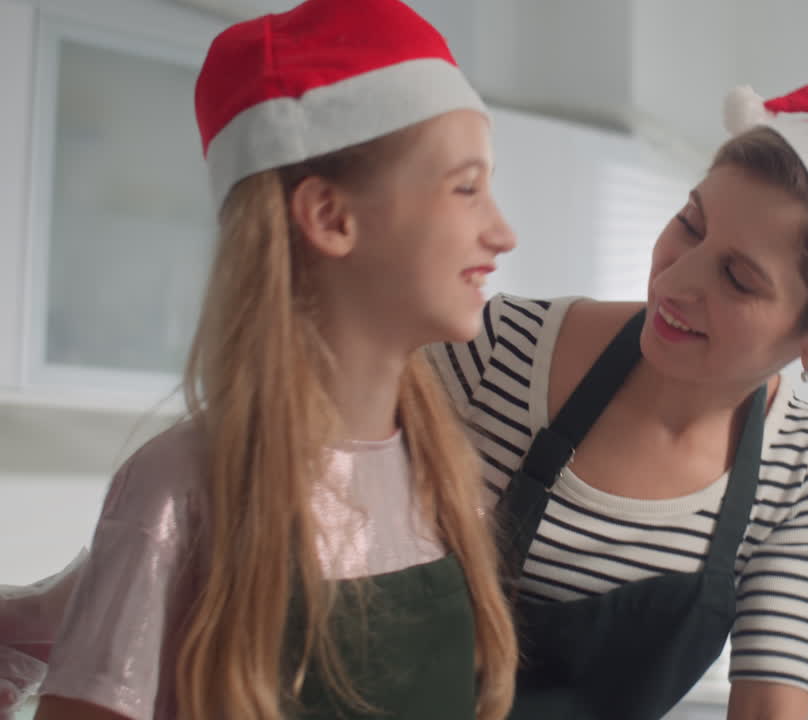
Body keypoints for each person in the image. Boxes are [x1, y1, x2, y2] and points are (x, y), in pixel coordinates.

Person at [426, 64, 808, 719]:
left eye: (739, 279)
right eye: (691, 222)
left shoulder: (803, 464)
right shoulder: (495, 348)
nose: (676, 281)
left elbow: (768, 709)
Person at [20, 0, 519, 718]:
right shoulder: (179, 491)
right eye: (466, 187)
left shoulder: (451, 485)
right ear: (330, 218)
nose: (502, 231)